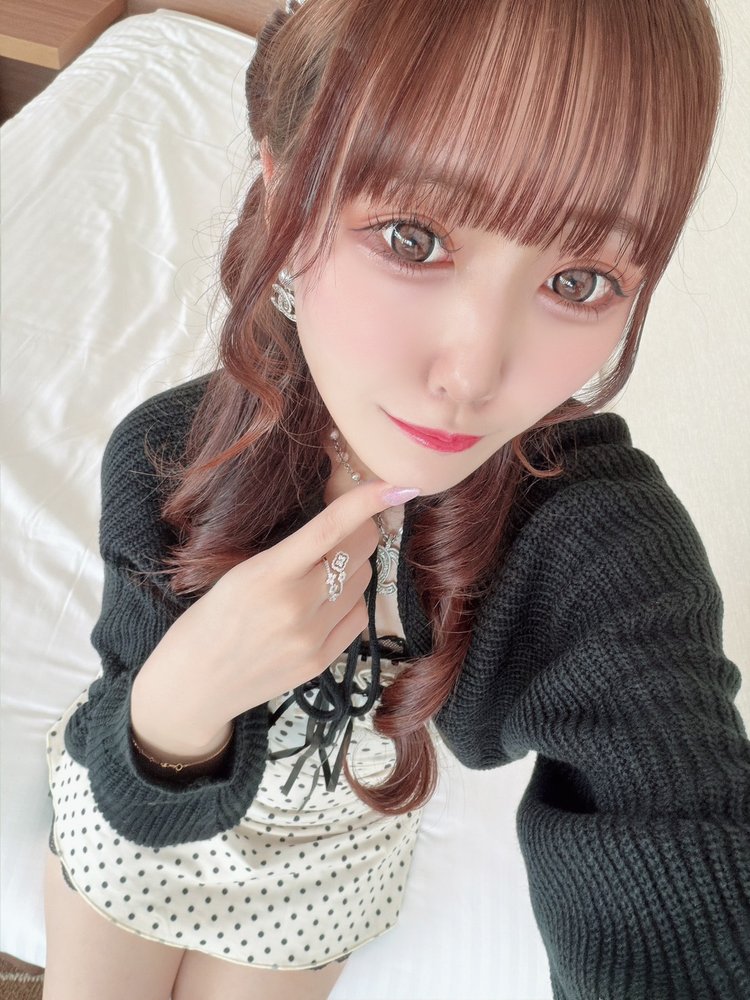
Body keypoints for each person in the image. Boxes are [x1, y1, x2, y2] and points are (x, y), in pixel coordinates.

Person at [42, 0, 750, 998]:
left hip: (319, 880)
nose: (473, 373)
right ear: (286, 195)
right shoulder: (170, 452)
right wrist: (183, 696)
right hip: (132, 809)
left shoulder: (584, 534)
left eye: (580, 280)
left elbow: (675, 823)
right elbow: (134, 791)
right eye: (413, 237)